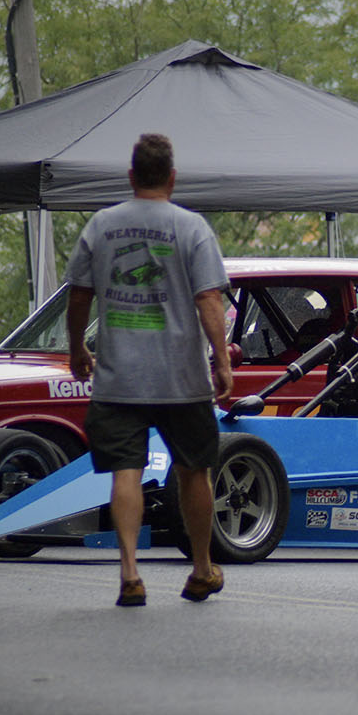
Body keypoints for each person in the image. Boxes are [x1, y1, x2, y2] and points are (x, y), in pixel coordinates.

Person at [64, 133, 233, 607]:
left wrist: (78, 349)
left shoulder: (101, 225)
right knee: (194, 471)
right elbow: (209, 299)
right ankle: (201, 569)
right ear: (172, 178)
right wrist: (221, 360)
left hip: (120, 379)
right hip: (182, 379)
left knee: (126, 471)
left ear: (132, 176)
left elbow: (79, 296)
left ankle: (131, 574)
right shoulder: (192, 227)